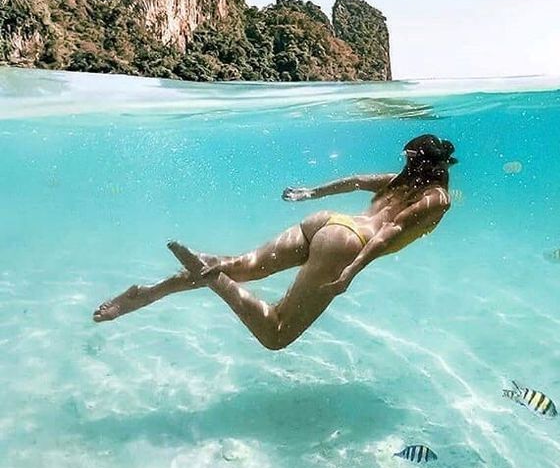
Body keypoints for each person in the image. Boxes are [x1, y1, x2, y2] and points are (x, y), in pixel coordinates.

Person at [93, 134, 456, 350]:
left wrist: (312, 194)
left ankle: (150, 292)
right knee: (276, 333)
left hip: (327, 222)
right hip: (348, 242)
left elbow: (358, 180)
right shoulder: (437, 197)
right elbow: (388, 233)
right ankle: (213, 278)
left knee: (242, 267)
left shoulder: (399, 181)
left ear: (415, 162)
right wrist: (351, 272)